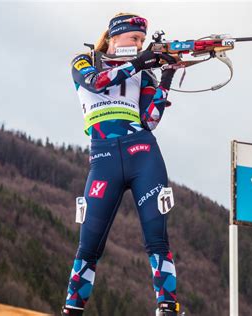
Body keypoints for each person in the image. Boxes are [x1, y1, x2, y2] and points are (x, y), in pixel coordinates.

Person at [61, 12, 180, 316]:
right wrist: (140, 61)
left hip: (143, 153)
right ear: (115, 38)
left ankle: (167, 306)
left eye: (142, 40)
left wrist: (166, 73)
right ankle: (73, 308)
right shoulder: (85, 60)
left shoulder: (144, 73)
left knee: (157, 236)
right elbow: (96, 83)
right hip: (103, 160)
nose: (139, 43)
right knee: (88, 244)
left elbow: (151, 119)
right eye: (134, 39)